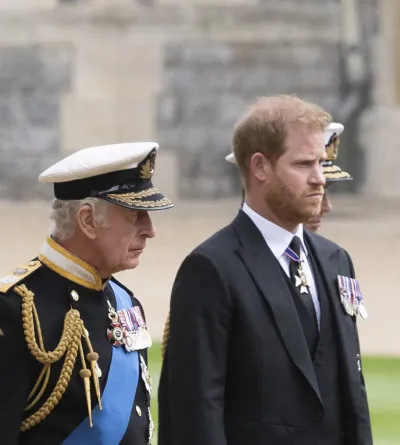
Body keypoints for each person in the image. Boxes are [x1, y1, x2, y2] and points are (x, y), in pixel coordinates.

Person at [158, 95, 372, 445]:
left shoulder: (336, 260)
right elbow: (196, 411)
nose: (319, 179)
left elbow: (352, 391)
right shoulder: (211, 268)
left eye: (320, 163)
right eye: (304, 164)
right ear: (259, 167)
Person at [0, 142, 173, 445]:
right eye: (136, 214)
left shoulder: (124, 301)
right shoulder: (15, 310)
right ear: (88, 221)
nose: (150, 229)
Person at [224, 122, 353, 232]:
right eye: (309, 188)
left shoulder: (330, 257)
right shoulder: (218, 259)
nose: (327, 207)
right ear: (260, 169)